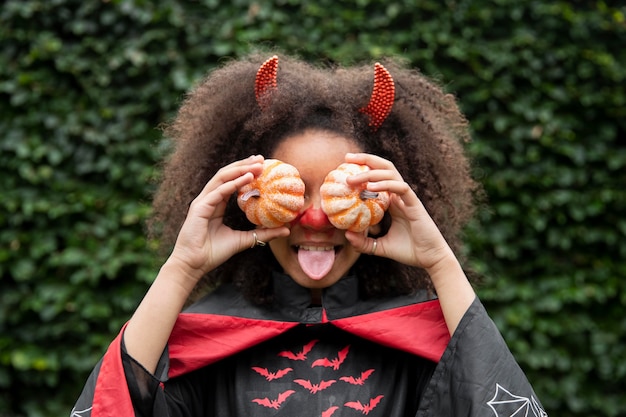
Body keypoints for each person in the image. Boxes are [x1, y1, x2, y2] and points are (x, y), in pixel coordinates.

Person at [72, 53, 546, 417]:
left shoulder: (425, 342)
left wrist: (439, 263)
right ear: (250, 197)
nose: (315, 219)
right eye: (297, 190)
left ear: (381, 202)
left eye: (340, 190)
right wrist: (181, 269)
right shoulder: (201, 344)